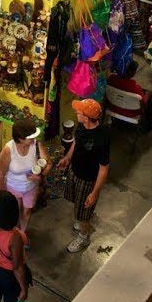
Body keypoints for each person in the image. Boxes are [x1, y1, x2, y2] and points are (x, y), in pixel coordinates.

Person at [58, 98, 109, 254]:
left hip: (88, 181)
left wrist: (94, 193)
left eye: (79, 111)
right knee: (76, 203)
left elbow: (104, 169)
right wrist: (67, 158)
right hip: (75, 171)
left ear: (86, 117)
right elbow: (76, 142)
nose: (76, 112)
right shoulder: (81, 126)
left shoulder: (101, 139)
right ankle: (80, 219)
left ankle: (84, 236)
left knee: (84, 214)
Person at [0, 120, 46, 242]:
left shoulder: (36, 145)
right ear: (20, 138)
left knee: (27, 211)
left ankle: (22, 234)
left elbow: (47, 163)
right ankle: (13, 236)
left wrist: (40, 176)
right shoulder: (8, 150)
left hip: (31, 187)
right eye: (31, 137)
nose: (34, 139)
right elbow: (1, 174)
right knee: (14, 214)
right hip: (13, 187)